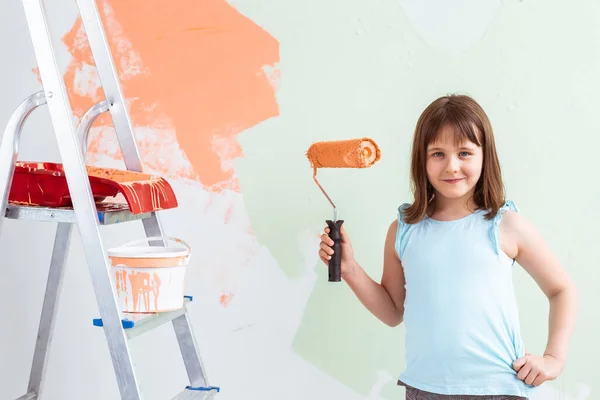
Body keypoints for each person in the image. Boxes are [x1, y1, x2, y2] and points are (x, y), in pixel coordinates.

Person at [318, 94, 578, 399]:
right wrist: (349, 269)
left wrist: (554, 359)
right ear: (422, 160)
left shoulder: (506, 224)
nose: (452, 166)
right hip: (424, 389)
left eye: (465, 153)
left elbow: (562, 289)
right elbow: (392, 311)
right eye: (438, 153)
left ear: (485, 156)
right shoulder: (403, 230)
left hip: (497, 389)